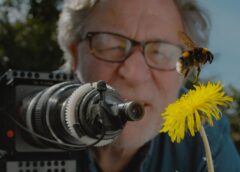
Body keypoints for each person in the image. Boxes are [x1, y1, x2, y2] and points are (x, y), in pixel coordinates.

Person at [57, 0, 240, 171]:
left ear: (184, 75)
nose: (133, 74)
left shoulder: (205, 135)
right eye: (110, 44)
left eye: (160, 52)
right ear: (75, 56)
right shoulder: (30, 107)